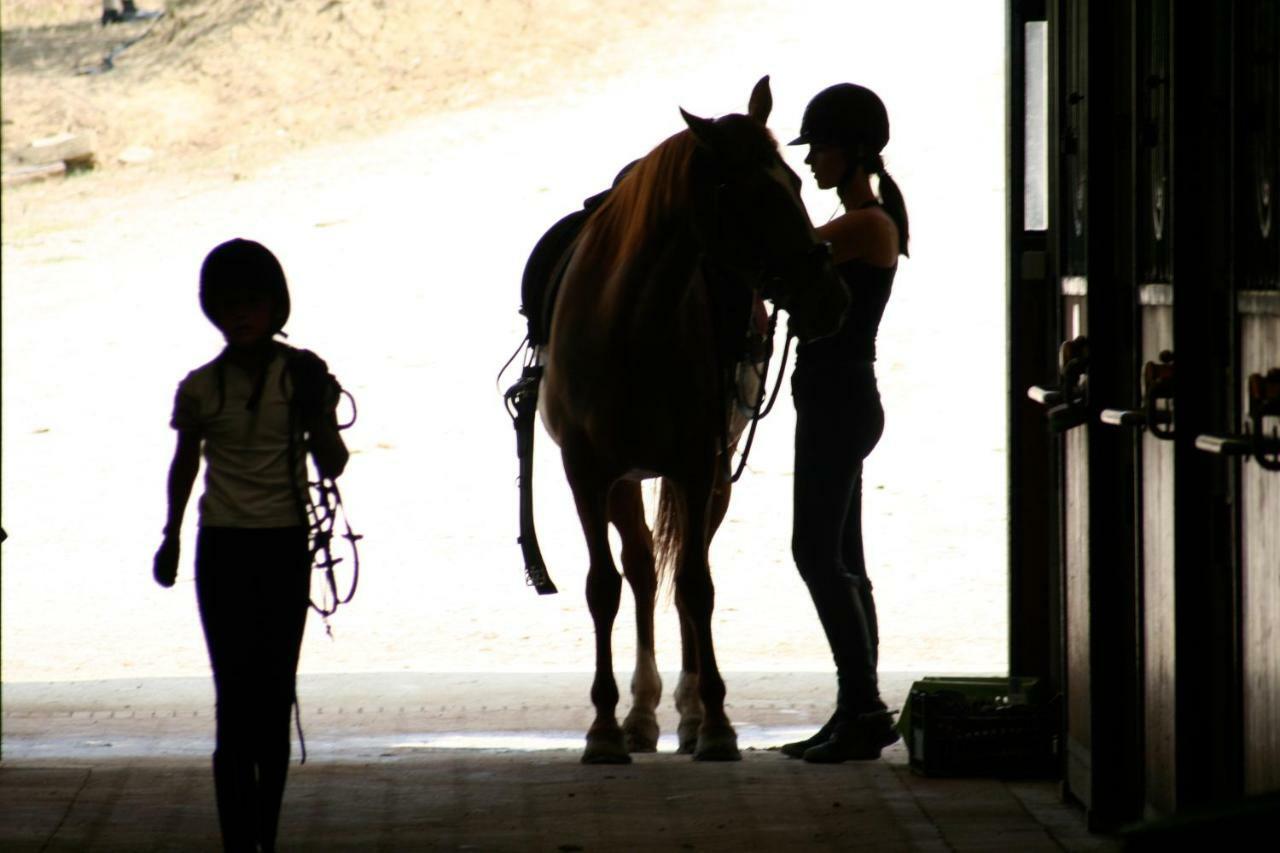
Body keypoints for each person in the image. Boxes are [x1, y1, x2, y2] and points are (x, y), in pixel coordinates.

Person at [153, 238, 349, 851]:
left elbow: (334, 464)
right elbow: (184, 467)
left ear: (274, 308)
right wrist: (170, 538)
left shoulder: (300, 378)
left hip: (285, 549)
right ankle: (241, 840)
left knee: (272, 701)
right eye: (229, 304)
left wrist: (319, 409)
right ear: (213, 310)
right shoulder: (198, 388)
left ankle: (263, 835)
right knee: (233, 702)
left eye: (253, 303)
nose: (241, 315)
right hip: (223, 553)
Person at [780, 83, 910, 763]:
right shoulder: (864, 221)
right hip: (834, 397)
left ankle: (862, 704)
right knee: (843, 557)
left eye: (820, 147)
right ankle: (855, 707)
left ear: (853, 150)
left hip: (839, 397)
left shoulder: (865, 224)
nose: (811, 160)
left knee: (814, 552)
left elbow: (787, 256)